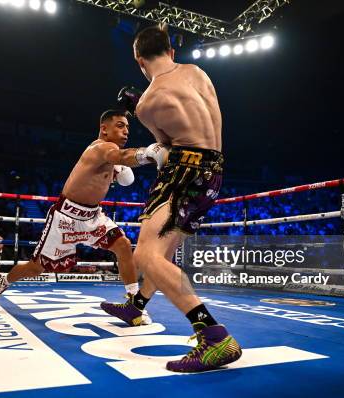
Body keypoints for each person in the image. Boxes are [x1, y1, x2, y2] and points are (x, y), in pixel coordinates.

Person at [101, 25, 242, 372]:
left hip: (182, 170)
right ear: (171, 51)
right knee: (160, 250)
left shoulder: (148, 103)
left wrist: (140, 106)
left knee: (148, 254)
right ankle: (136, 305)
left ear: (138, 60)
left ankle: (213, 335)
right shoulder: (198, 73)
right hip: (214, 169)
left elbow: (163, 147)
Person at [0, 109, 162, 322]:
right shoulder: (102, 148)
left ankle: (134, 303)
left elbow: (119, 166)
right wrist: (150, 153)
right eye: (120, 126)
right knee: (36, 267)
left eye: (127, 127)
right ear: (104, 129)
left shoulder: (112, 157)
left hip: (93, 216)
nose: (126, 131)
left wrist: (117, 170)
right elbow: (121, 155)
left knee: (122, 244)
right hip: (65, 217)